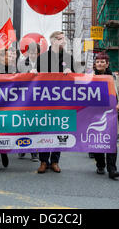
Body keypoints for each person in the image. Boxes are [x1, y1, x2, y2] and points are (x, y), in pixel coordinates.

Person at [36, 31, 74, 174]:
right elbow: (34, 77)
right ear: (52, 41)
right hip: (45, 101)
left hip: (61, 101)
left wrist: (71, 72)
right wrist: (33, 71)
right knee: (45, 130)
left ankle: (55, 161)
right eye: (59, 39)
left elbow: (75, 78)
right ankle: (43, 161)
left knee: (59, 130)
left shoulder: (68, 58)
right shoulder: (42, 58)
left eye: (63, 38)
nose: (62, 41)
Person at [92, 53, 119, 180]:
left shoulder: (114, 78)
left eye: (102, 62)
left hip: (110, 114)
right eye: (98, 62)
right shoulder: (90, 76)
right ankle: (100, 164)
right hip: (94, 114)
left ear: (107, 64)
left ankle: (112, 169)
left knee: (111, 142)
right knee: (97, 140)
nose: (100, 64)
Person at [17, 42, 41, 162]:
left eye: (34, 52)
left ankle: (34, 151)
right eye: (30, 52)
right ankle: (21, 148)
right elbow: (17, 78)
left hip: (37, 98)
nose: (32, 54)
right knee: (22, 123)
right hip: (24, 97)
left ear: (38, 53)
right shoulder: (21, 63)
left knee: (34, 124)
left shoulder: (43, 63)